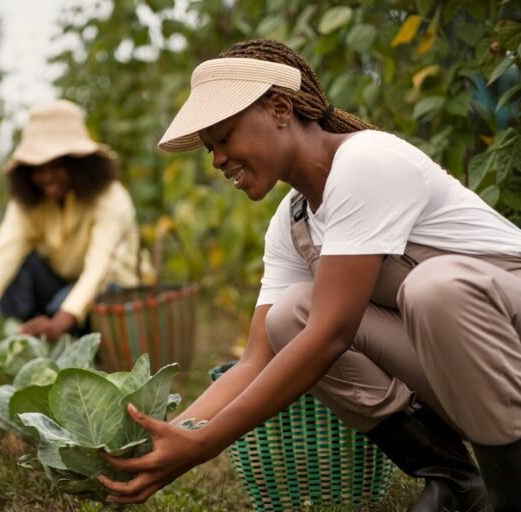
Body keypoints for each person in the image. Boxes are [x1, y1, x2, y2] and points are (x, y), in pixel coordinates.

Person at [98, 39, 521, 512]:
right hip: (474, 376)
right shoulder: (294, 219)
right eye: (209, 148)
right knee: (289, 318)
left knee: (432, 290)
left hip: (508, 345)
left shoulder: (367, 162)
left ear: (280, 108)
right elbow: (256, 359)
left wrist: (209, 443)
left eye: (224, 137)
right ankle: (456, 483)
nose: (217, 160)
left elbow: (331, 335)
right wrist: (169, 440)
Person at [0, 99, 151, 345]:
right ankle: (33, 337)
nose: (46, 177)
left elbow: (99, 269)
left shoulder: (111, 198)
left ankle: (69, 337)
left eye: (57, 166)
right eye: (37, 169)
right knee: (15, 271)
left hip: (114, 291)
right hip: (61, 285)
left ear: (79, 165)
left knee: (66, 302)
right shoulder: (30, 203)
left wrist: (60, 321)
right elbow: (4, 251)